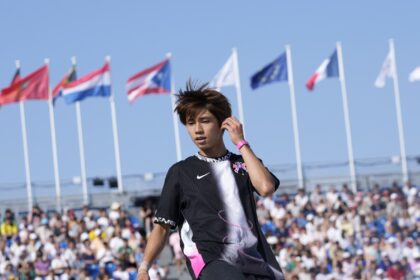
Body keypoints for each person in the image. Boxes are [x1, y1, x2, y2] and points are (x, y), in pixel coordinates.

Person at [137, 81, 284, 280]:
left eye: (205, 121)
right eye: (190, 123)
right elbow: (162, 227)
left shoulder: (243, 162)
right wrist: (144, 267)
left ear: (223, 123)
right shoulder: (181, 172)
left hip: (255, 260)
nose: (197, 129)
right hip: (211, 261)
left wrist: (241, 143)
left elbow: (266, 188)